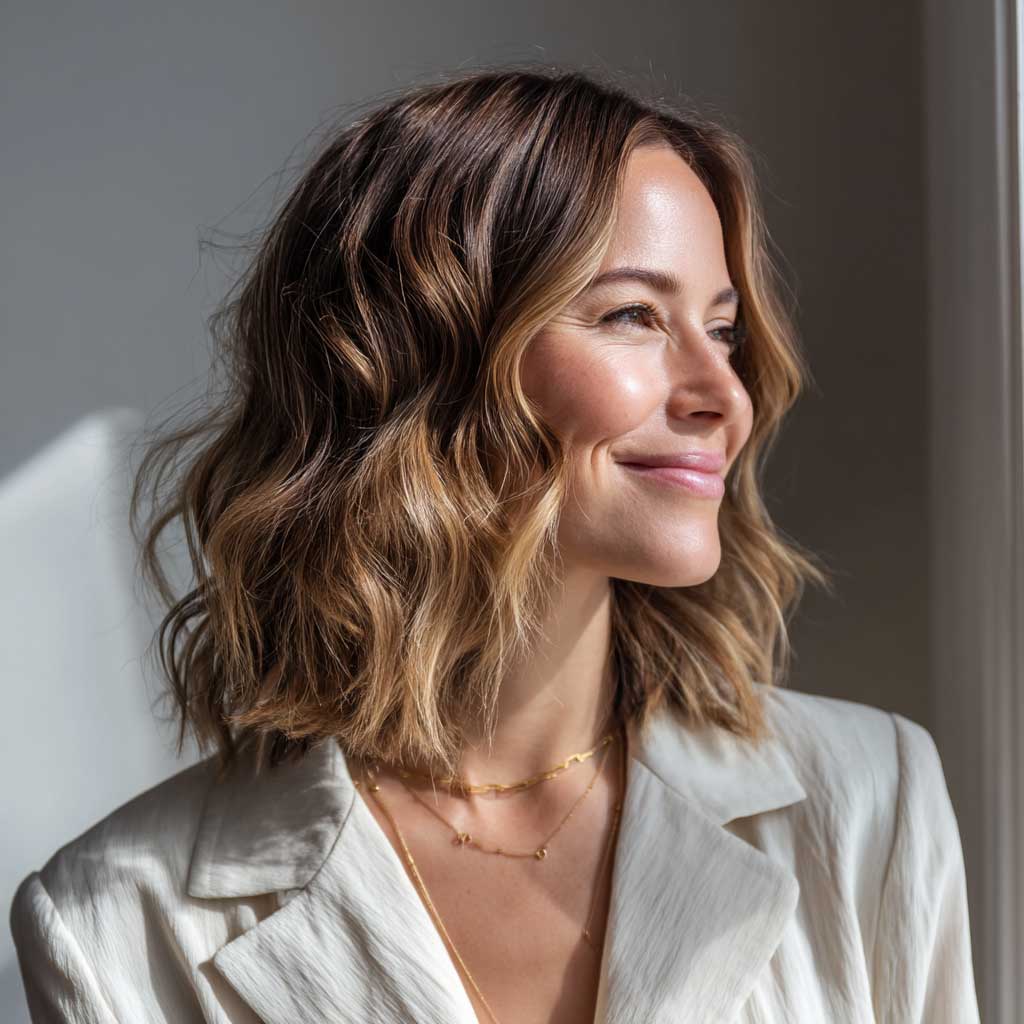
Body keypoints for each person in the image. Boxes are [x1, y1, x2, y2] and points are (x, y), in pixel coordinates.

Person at [8, 64, 980, 1024]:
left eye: (721, 330)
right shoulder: (120, 920)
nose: (724, 393)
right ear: (426, 361)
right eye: (634, 315)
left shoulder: (866, 804)